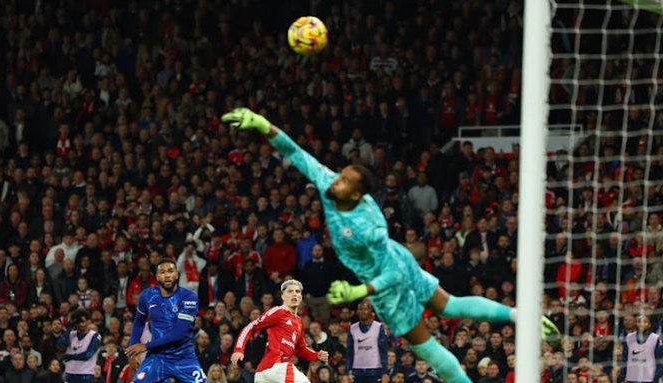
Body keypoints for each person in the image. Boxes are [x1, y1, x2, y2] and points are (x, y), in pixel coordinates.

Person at [222, 108, 560, 383]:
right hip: (395, 259)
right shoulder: (329, 185)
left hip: (387, 276)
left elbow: (392, 275)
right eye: (339, 176)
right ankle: (521, 315)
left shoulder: (369, 225)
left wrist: (359, 292)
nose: (334, 181)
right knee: (449, 305)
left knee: (426, 347)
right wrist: (264, 124)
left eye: (344, 182)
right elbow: (296, 153)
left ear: (356, 194)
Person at [125, 258, 207, 383]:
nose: (167, 275)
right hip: (157, 357)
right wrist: (132, 351)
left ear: (177, 274)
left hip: (184, 357)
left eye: (170, 271)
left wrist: (145, 346)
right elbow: (139, 322)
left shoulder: (188, 297)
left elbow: (179, 334)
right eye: (162, 272)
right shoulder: (147, 296)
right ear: (157, 277)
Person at [231, 279, 329, 383]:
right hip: (275, 367)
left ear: (301, 297)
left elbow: (300, 349)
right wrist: (238, 349)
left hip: (265, 374)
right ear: (283, 296)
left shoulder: (299, 322)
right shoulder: (278, 312)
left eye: (297, 291)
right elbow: (251, 327)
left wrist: (316, 355)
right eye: (290, 291)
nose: (294, 294)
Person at [346, 299, 388, 383]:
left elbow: (383, 350)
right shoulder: (353, 328)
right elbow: (349, 352)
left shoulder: (378, 327)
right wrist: (347, 371)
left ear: (371, 311)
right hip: (357, 370)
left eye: (365, 309)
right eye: (360, 309)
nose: (362, 312)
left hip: (374, 369)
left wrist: (384, 372)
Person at [58, 308, 102, 383]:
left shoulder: (95, 336)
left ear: (88, 321)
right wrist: (69, 328)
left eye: (83, 322)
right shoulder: (71, 334)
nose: (81, 324)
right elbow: (61, 345)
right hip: (70, 374)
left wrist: (69, 356)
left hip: (86, 375)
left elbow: (87, 355)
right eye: (78, 322)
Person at [622, 314, 663, 383]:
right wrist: (623, 376)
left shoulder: (655, 339)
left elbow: (659, 362)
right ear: (635, 324)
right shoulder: (629, 338)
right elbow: (625, 358)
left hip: (649, 379)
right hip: (631, 378)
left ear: (649, 324)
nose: (641, 324)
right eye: (639, 321)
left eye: (645, 322)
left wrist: (656, 378)